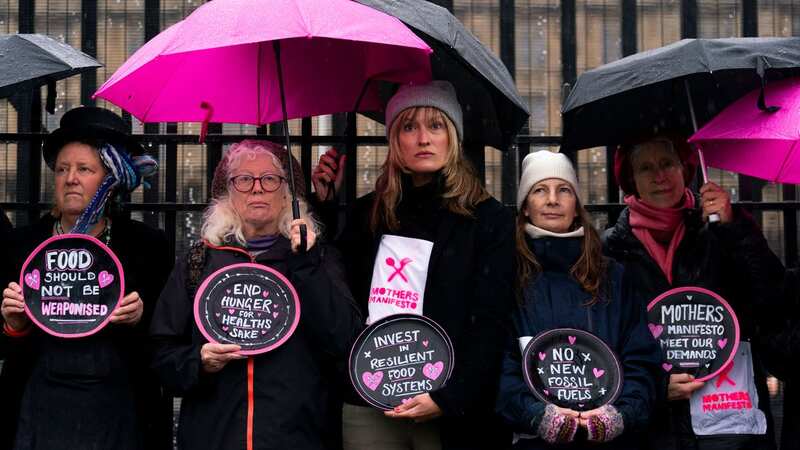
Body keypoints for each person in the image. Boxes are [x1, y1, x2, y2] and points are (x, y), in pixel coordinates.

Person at [312, 80, 515, 450]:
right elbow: (334, 292)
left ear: (452, 136)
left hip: (450, 408)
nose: (423, 138)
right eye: (409, 126)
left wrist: (449, 397)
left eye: (435, 125)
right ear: (395, 140)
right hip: (370, 400)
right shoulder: (367, 214)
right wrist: (323, 204)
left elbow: (491, 321)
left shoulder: (489, 220)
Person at [150, 139, 362, 450]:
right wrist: (199, 361)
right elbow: (161, 356)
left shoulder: (316, 258)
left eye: (270, 178)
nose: (257, 188)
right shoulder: (198, 262)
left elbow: (345, 340)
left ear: (287, 192)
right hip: (214, 437)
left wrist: (306, 264)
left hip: (299, 437)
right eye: (244, 179)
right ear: (228, 193)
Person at [0, 106, 172, 450]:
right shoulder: (22, 246)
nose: (70, 178)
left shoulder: (146, 247)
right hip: (38, 412)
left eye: (84, 169)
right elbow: (4, 346)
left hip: (119, 412)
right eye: (62, 169)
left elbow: (168, 341)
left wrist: (141, 317)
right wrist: (14, 324)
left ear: (110, 180)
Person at [603, 135, 786, 450]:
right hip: (651, 430)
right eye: (646, 168)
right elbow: (605, 342)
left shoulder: (719, 229)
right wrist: (655, 386)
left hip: (727, 426)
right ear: (631, 179)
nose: (660, 176)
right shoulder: (611, 250)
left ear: (684, 168)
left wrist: (734, 228)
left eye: (667, 163)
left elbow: (770, 295)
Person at [495, 150, 662, 449]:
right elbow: (497, 366)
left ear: (576, 206)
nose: (552, 200)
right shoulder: (505, 277)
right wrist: (534, 415)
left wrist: (621, 414)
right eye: (539, 190)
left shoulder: (612, 276)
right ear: (524, 208)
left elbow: (641, 359)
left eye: (564, 190)